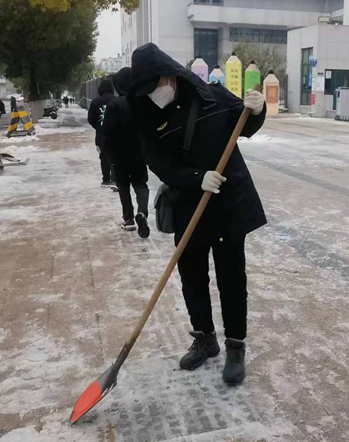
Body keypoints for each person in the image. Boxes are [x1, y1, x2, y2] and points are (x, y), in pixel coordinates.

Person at [129, 43, 266, 385]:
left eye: (155, 85)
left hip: (228, 205)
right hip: (190, 205)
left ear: (170, 76)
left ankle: (236, 346)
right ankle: (205, 340)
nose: (154, 94)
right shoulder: (147, 113)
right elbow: (158, 163)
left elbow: (245, 125)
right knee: (192, 277)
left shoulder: (212, 98)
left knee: (232, 280)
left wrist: (258, 109)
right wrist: (194, 178)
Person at [102, 67, 150, 236]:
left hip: (119, 156)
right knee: (141, 185)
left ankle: (128, 219)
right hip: (139, 154)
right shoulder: (142, 102)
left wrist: (108, 155)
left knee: (123, 187)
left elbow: (106, 132)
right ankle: (142, 212)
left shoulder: (113, 105)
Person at [87, 79, 116, 188]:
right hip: (114, 134)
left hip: (101, 135)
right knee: (114, 156)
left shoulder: (95, 102)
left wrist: (99, 127)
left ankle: (106, 179)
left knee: (103, 157)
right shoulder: (116, 100)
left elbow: (90, 119)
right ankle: (114, 179)